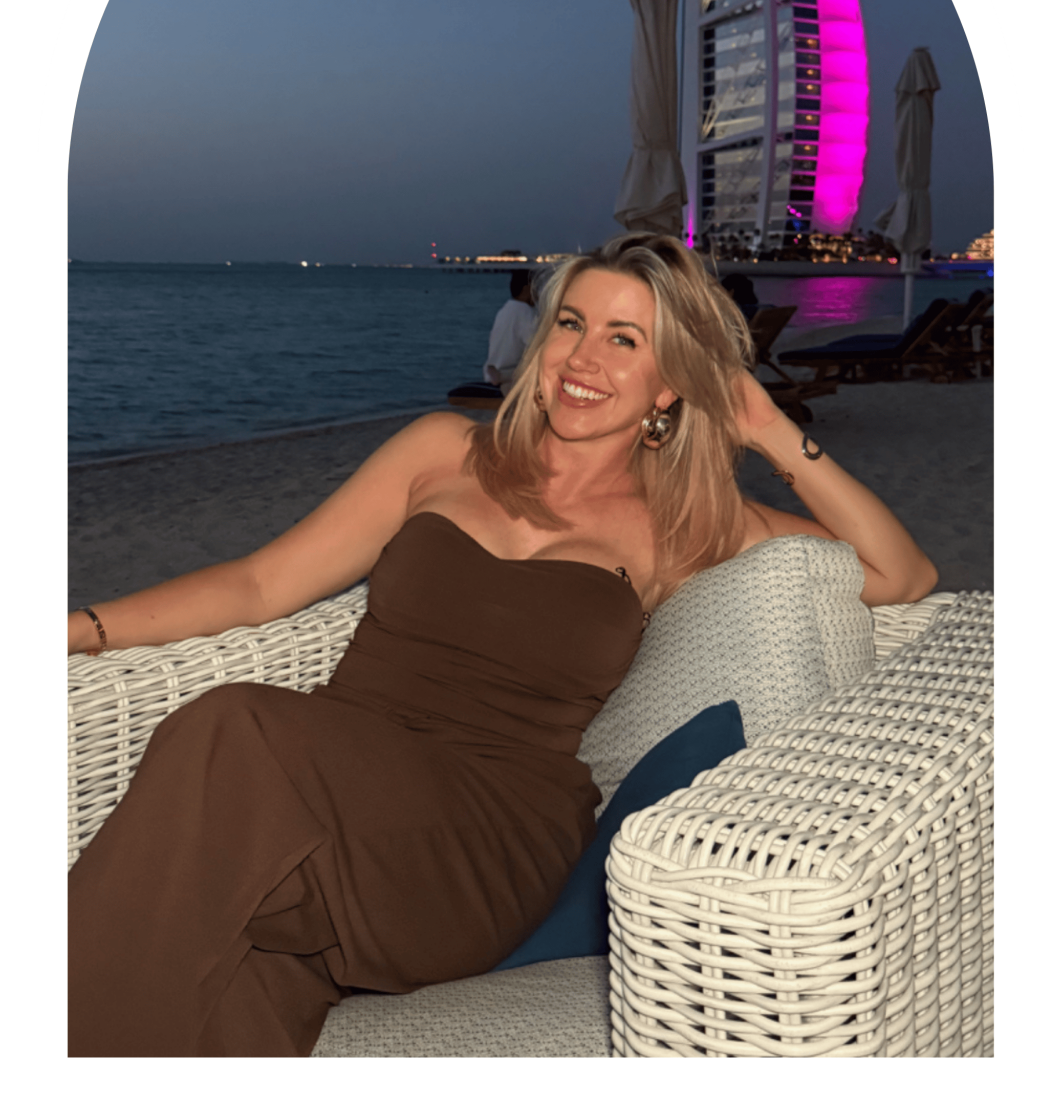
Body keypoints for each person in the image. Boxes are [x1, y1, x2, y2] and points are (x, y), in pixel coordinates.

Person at [67, 233, 936, 1056]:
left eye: (625, 340)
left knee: (229, 729)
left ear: (669, 385)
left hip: (486, 838)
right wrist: (81, 628)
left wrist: (771, 428)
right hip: (331, 781)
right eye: (571, 324)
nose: (583, 358)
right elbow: (259, 585)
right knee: (247, 978)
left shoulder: (682, 523)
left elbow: (900, 573)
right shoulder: (440, 452)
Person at [483, 269, 538, 392]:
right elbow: (536, 344)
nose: (539, 294)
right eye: (536, 288)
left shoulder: (505, 310)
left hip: (492, 369)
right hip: (509, 375)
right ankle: (502, 376)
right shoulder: (525, 312)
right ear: (527, 289)